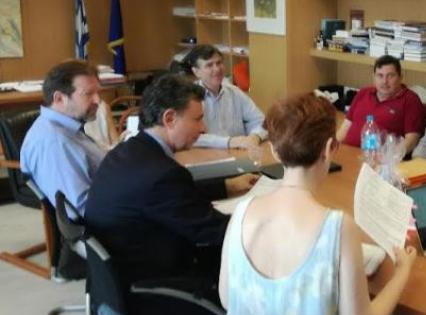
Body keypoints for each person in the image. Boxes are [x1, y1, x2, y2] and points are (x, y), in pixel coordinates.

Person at [216, 93, 417, 315]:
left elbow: (227, 299)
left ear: (274, 150)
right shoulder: (337, 227)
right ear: (330, 148)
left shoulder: (242, 212)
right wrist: (402, 271)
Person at [85, 73, 257, 290]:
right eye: (197, 119)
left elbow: (175, 196)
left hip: (124, 274)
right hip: (157, 287)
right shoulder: (160, 175)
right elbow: (213, 230)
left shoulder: (129, 151)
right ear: (169, 119)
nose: (203, 128)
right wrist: (260, 222)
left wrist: (227, 186)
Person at [21, 60, 106, 215]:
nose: (98, 100)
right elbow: (80, 209)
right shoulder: (54, 143)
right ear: (59, 98)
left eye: (98, 92)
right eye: (88, 94)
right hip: (109, 220)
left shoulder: (67, 128)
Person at [336, 55, 426, 154]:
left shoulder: (410, 100)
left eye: (390, 76)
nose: (384, 81)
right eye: (380, 75)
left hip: (378, 158)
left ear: (400, 77)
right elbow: (344, 129)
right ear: (374, 77)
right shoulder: (363, 93)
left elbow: (411, 141)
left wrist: (390, 158)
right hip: (346, 153)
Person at [184, 44, 266, 149]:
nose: (217, 69)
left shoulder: (234, 92)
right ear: (196, 72)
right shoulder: (190, 98)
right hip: (205, 154)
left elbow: (260, 120)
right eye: (209, 65)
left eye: (219, 63)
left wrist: (255, 136)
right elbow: (189, 136)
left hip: (238, 152)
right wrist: (228, 142)